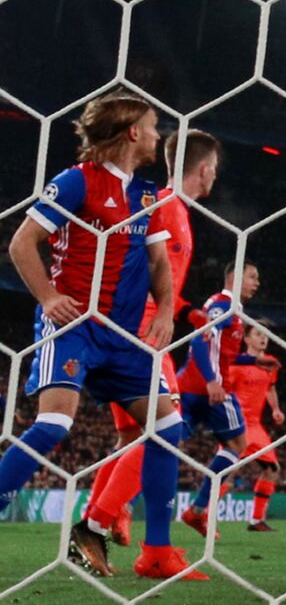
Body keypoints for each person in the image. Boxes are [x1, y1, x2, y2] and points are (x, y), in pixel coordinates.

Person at [0, 92, 195, 580]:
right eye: (153, 126)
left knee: (166, 428)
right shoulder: (74, 182)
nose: (157, 135)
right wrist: (47, 298)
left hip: (122, 335)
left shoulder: (146, 195)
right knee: (55, 426)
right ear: (132, 132)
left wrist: (167, 311)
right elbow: (22, 242)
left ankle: (156, 550)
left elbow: (156, 262)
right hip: (72, 327)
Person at [83, 129, 220, 548]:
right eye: (215, 169)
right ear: (204, 169)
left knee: (132, 438)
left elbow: (158, 282)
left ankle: (101, 516)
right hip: (140, 338)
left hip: (129, 331)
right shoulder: (167, 208)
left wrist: (186, 312)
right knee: (167, 432)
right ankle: (95, 528)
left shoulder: (163, 206)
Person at [175, 261, 272, 537]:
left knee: (168, 442)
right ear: (233, 276)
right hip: (213, 391)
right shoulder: (223, 306)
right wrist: (211, 381)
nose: (257, 283)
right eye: (252, 276)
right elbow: (198, 340)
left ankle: (120, 506)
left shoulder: (231, 310)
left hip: (191, 386)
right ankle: (197, 510)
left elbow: (223, 353)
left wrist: (253, 360)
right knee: (236, 444)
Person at [227, 322, 283, 531]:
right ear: (246, 339)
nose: (263, 338)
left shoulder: (270, 363)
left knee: (272, 469)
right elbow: (225, 391)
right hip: (237, 424)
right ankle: (204, 514)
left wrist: (275, 409)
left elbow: (270, 388)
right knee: (228, 470)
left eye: (266, 335)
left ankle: (256, 520)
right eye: (258, 334)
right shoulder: (237, 365)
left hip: (255, 426)